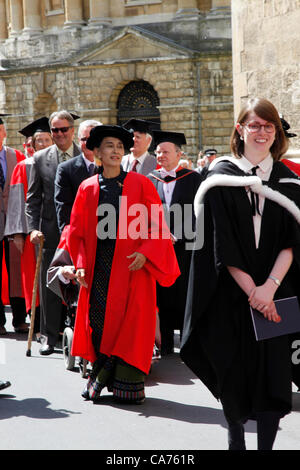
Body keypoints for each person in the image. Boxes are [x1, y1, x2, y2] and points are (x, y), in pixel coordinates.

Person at [180, 97, 300, 450]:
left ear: (275, 132)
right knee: (233, 375)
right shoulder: (220, 178)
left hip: (277, 295)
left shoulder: (289, 182)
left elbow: (293, 244)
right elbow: (222, 245)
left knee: (272, 377)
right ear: (240, 129)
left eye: (268, 126)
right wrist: (255, 293)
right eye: (255, 125)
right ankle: (236, 444)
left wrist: (269, 289)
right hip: (230, 296)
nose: (262, 132)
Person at [67, 125, 180, 403]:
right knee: (100, 322)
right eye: (109, 146)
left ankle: (126, 385)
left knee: (131, 324)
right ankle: (100, 376)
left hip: (132, 269)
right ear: (97, 153)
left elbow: (157, 226)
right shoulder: (87, 188)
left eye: (119, 146)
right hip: (99, 269)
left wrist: (146, 252)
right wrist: (80, 263)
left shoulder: (141, 185)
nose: (116, 150)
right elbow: (77, 232)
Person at [25, 110, 81, 355]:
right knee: (50, 284)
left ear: (72, 130)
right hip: (48, 232)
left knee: (80, 282)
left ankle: (80, 334)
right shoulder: (39, 159)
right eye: (55, 130)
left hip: (79, 232)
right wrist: (33, 229)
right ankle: (48, 336)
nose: (59, 134)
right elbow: (33, 199)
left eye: (64, 129)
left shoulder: (86, 155)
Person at [147, 131, 201, 355]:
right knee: (163, 294)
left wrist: (179, 232)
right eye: (158, 152)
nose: (160, 155)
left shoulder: (194, 178)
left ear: (178, 154)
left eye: (165, 152)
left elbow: (200, 212)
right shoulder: (150, 180)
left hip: (186, 247)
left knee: (186, 292)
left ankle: (189, 342)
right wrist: (160, 233)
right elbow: (146, 213)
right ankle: (165, 342)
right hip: (160, 249)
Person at [4, 117, 54, 338]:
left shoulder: (59, 164)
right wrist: (17, 232)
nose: (42, 143)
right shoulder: (24, 166)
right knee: (33, 276)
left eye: (46, 139)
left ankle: (55, 323)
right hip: (31, 230)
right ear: (32, 144)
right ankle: (37, 322)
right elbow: (16, 203)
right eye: (39, 140)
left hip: (53, 228)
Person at [0, 115, 27, 336]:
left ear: (4, 133)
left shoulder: (16, 156)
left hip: (14, 222)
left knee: (16, 272)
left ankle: (19, 319)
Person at [54, 119, 102, 234]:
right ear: (79, 141)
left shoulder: (112, 167)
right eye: (84, 139)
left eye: (92, 139)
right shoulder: (65, 170)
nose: (87, 143)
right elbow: (63, 211)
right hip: (79, 235)